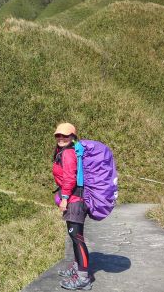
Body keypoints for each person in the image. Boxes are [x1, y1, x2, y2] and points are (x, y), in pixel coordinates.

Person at [52, 123, 92, 290]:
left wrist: (65, 199)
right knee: (75, 236)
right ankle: (77, 268)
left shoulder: (68, 153)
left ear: (73, 137)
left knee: (77, 238)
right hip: (75, 198)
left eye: (65, 136)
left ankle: (83, 278)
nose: (61, 138)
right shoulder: (68, 150)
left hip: (75, 199)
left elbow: (70, 178)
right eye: (58, 135)